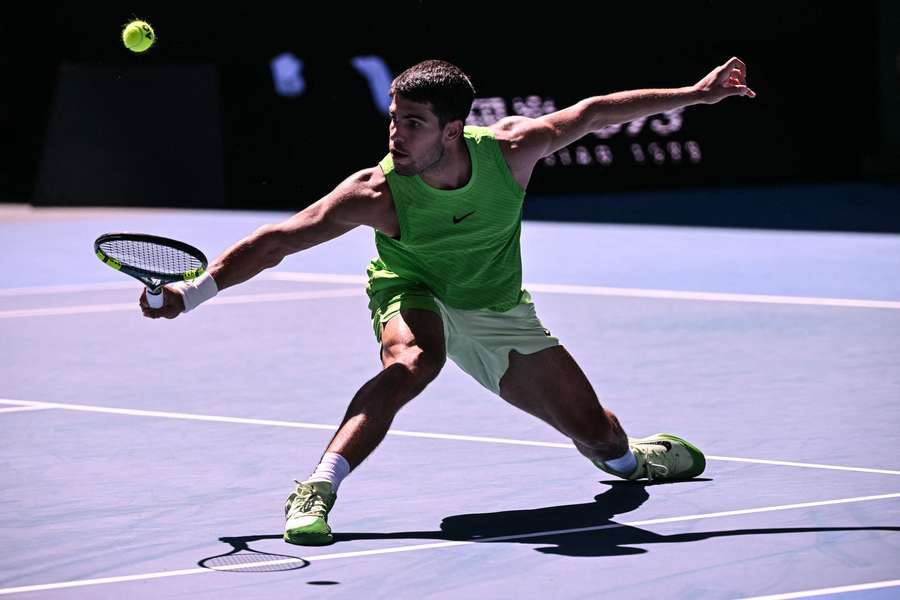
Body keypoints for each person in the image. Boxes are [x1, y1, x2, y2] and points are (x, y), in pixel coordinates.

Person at [140, 57, 756, 546]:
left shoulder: (513, 150)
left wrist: (697, 96)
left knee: (599, 438)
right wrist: (190, 293)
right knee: (413, 363)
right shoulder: (376, 192)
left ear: (453, 129)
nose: (396, 133)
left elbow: (593, 113)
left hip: (498, 309)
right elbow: (278, 240)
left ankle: (632, 461)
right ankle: (318, 489)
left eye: (413, 122)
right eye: (393, 119)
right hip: (414, 291)